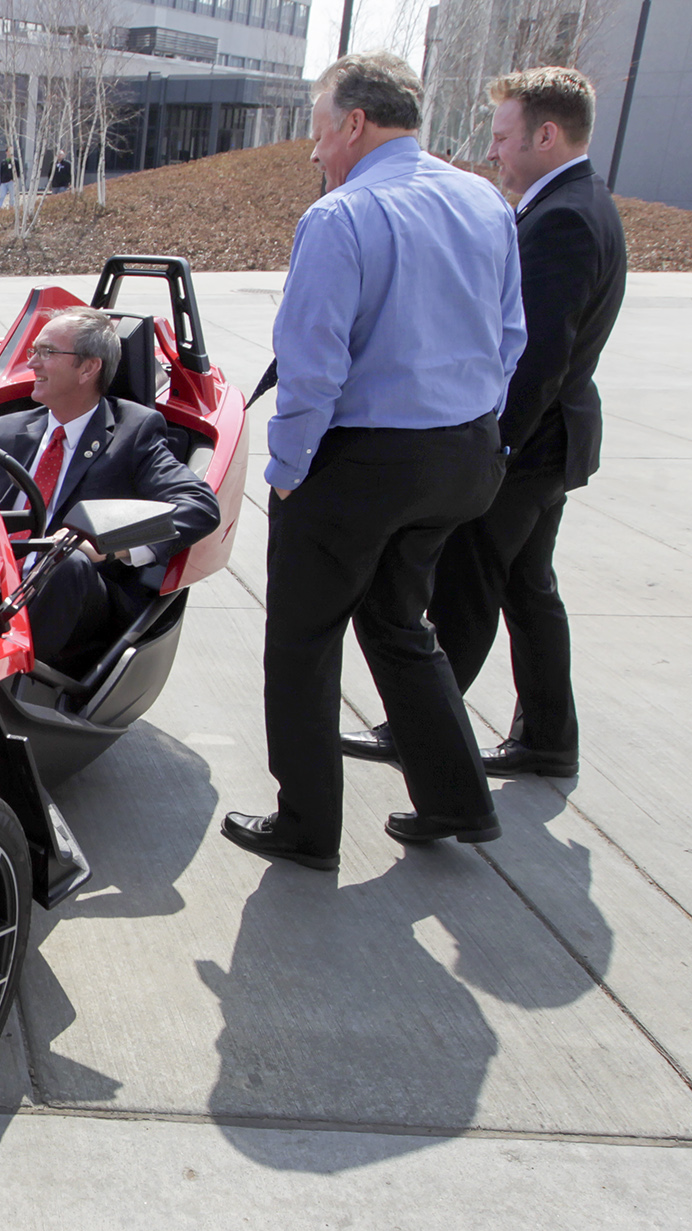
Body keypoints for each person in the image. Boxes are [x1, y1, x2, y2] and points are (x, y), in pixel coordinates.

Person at [222, 52, 525, 872]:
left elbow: (313, 364)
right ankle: (460, 799)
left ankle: (306, 825)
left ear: (354, 122)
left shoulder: (342, 216)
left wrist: (288, 468)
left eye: (319, 129)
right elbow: (510, 338)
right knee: (398, 623)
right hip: (460, 455)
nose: (314, 150)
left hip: (361, 464)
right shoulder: (485, 201)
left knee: (303, 640)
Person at [341, 67, 625, 781]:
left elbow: (539, 355)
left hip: (527, 447)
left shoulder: (561, 217)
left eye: (503, 136)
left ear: (548, 134)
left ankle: (423, 741)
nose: (493, 152)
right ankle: (547, 738)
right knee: (529, 591)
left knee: (464, 594)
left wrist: (494, 446)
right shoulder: (585, 201)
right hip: (556, 441)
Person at [0, 307, 220, 675]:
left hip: (76, 596)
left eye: (47, 353)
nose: (33, 364)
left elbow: (199, 505)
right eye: (33, 352)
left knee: (67, 564)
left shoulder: (133, 433)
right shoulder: (4, 431)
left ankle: (10, 678)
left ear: (89, 368)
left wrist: (112, 543)